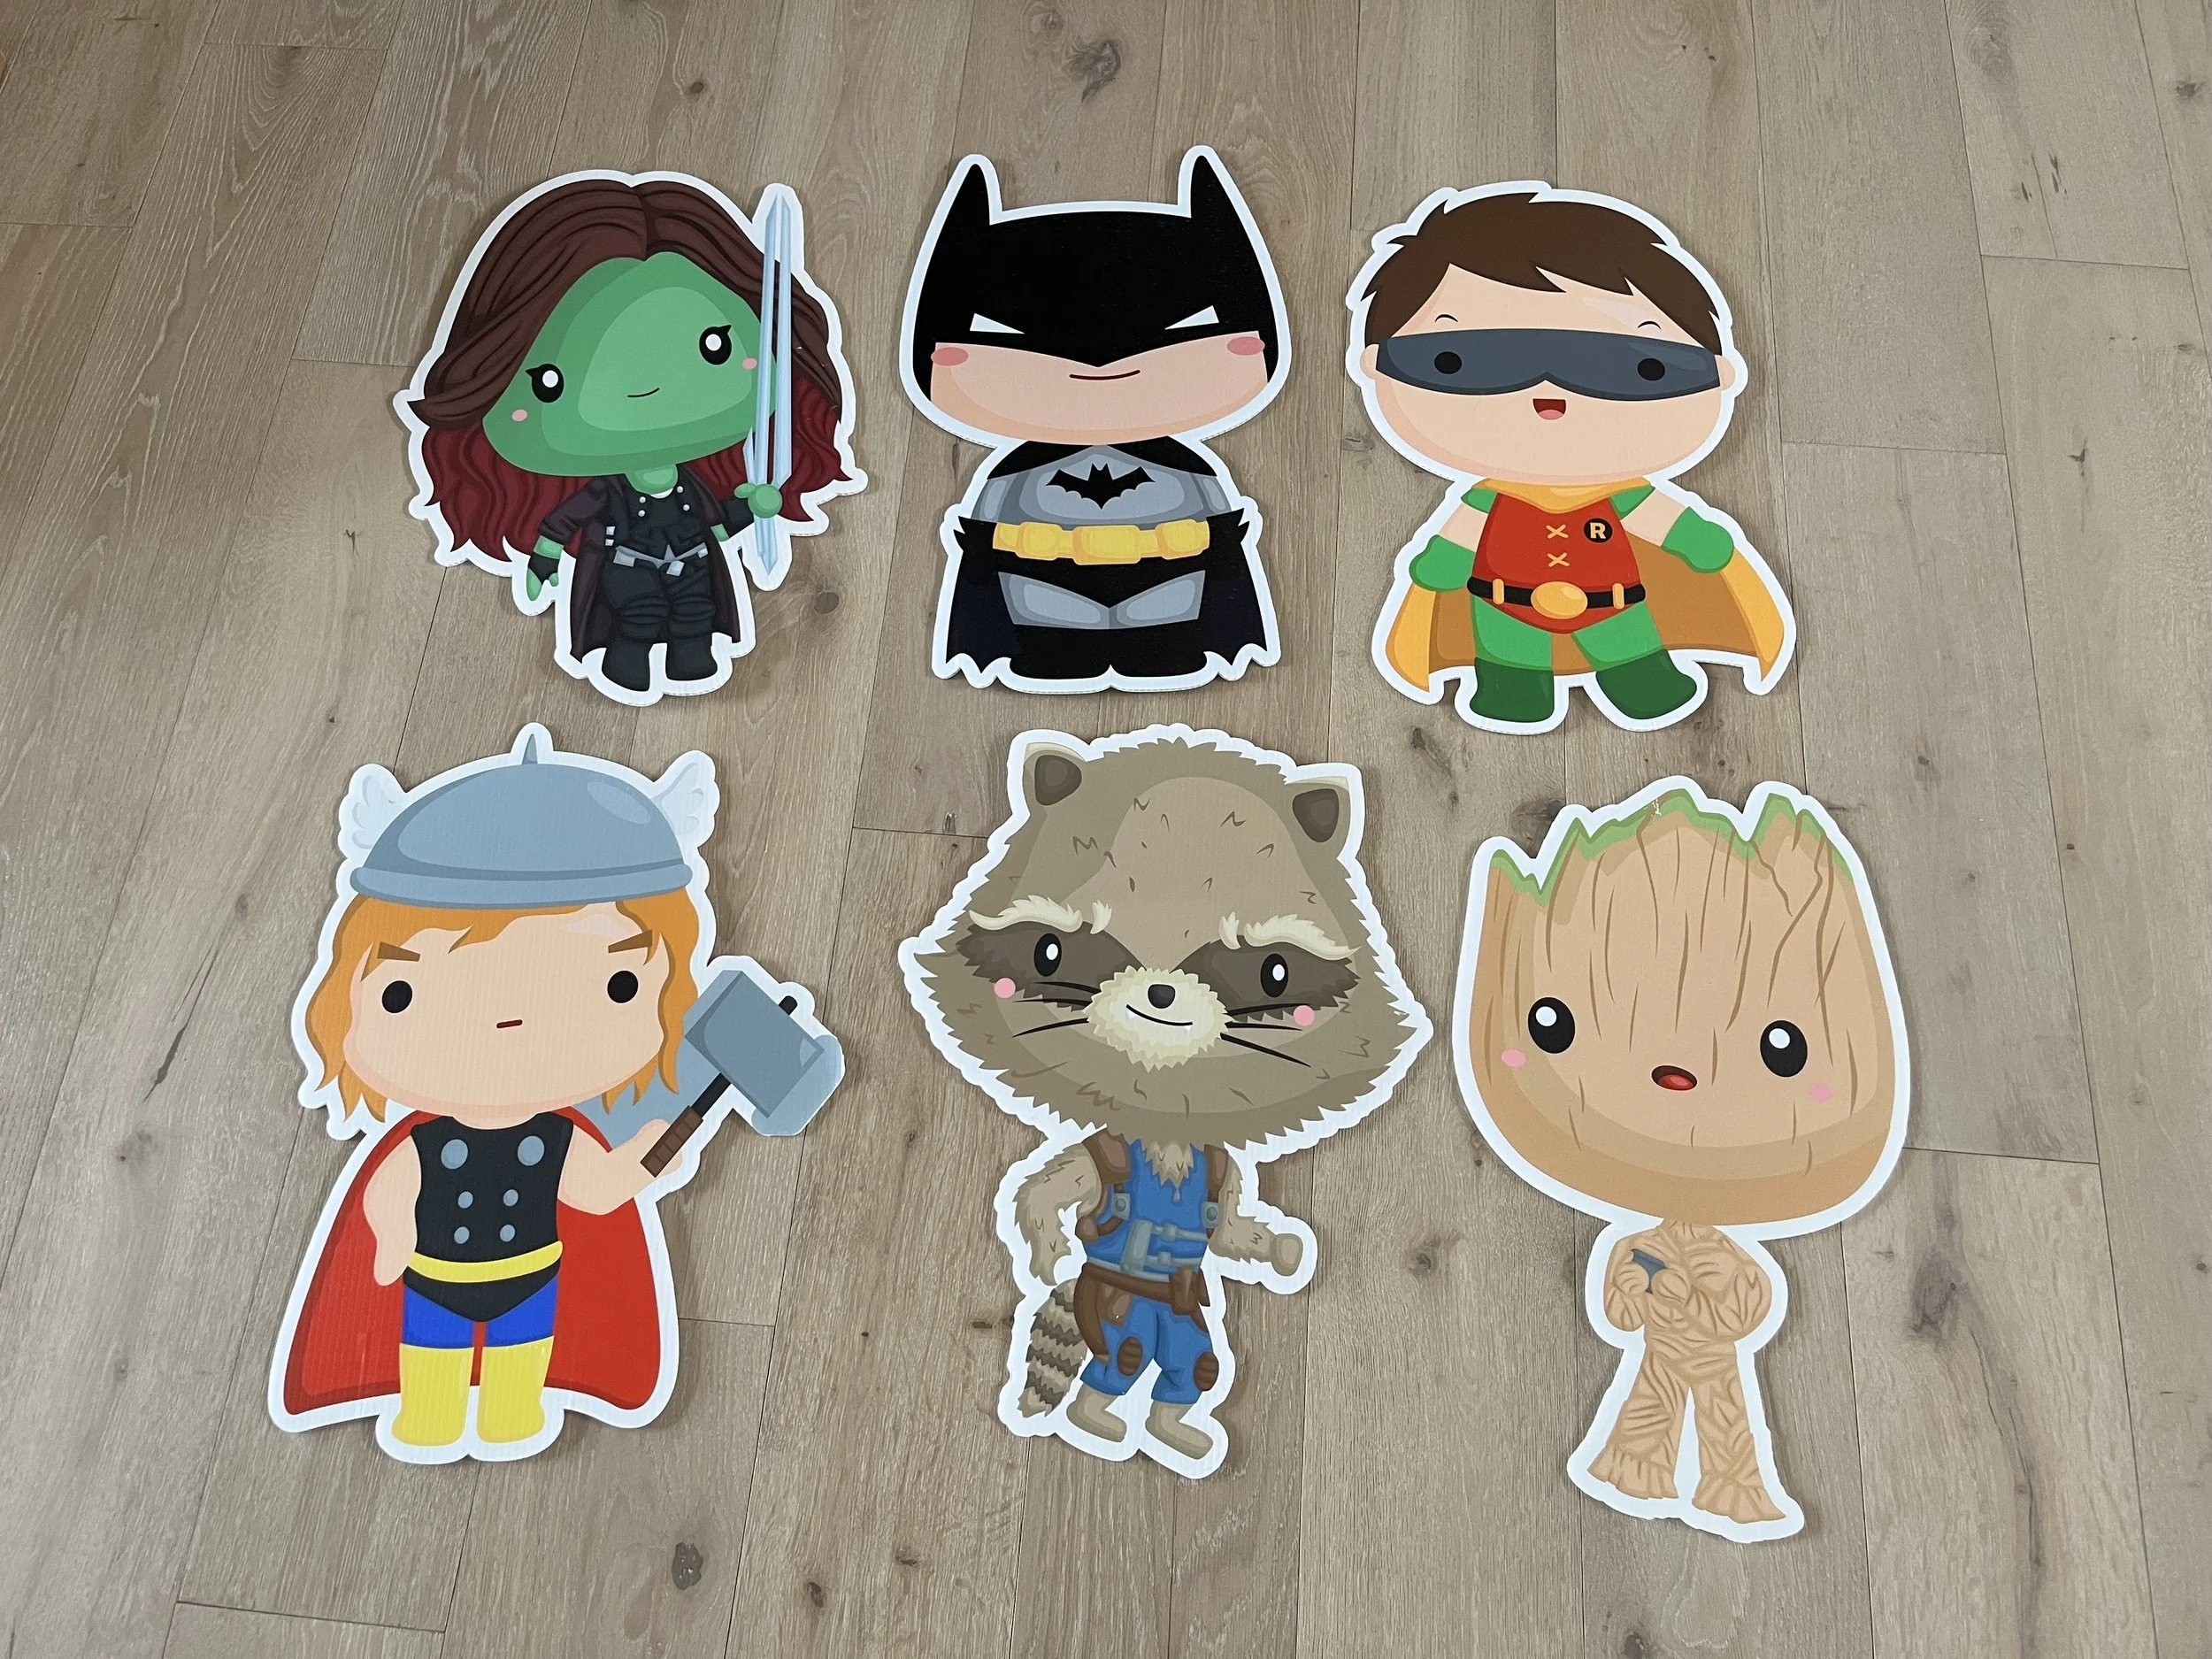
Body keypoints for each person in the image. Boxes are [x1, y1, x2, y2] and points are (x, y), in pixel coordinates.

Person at [1350, 185, 1791, 730]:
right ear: (1376, 363)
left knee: (1640, 672)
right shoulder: (1485, 502)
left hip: (1615, 606)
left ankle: (1647, 684)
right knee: (1512, 681)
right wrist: (1438, 568)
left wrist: (1700, 543)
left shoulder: (1628, 496)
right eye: (1457, 359)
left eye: (1639, 366)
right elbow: (1450, 552)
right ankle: (1513, 694)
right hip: (1504, 607)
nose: (1549, 393)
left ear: (1718, 375)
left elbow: (1674, 528)